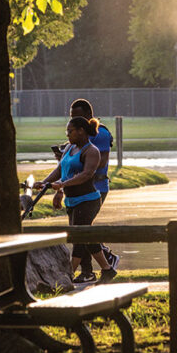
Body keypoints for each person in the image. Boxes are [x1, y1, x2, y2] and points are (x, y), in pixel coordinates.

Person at [34, 117, 117, 285]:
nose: (67, 134)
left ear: (81, 131)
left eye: (70, 131)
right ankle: (108, 269)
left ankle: (67, 276)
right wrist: (44, 182)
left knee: (78, 238)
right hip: (72, 201)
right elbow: (60, 169)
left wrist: (63, 184)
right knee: (84, 237)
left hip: (88, 200)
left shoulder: (91, 151)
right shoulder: (69, 147)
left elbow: (86, 175)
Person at [53, 98, 120, 273]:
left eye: (78, 116)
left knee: (81, 232)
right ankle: (94, 269)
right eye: (72, 116)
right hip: (74, 191)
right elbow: (63, 169)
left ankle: (79, 271)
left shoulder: (100, 135)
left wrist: (80, 162)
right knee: (82, 231)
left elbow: (100, 162)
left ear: (88, 115)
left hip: (96, 188)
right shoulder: (72, 145)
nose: (74, 120)